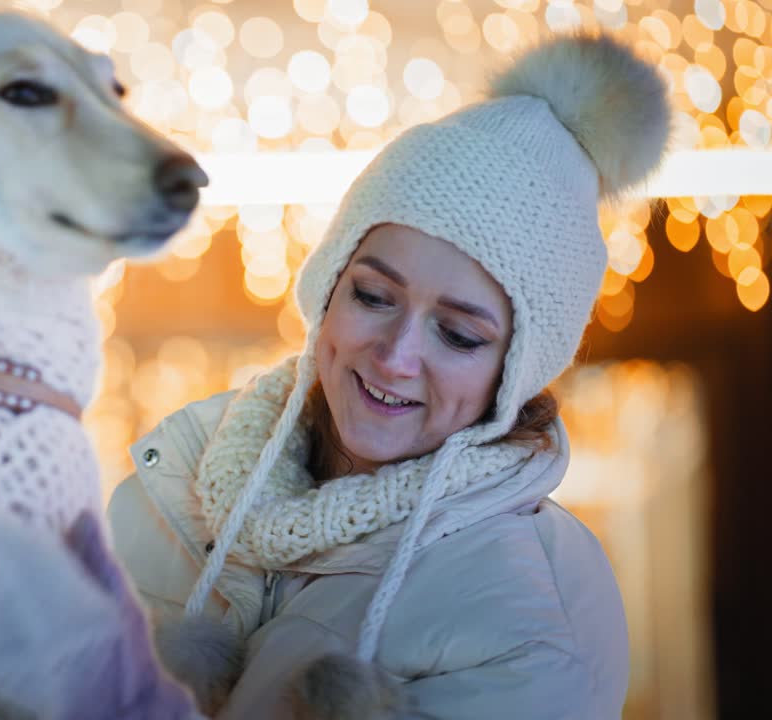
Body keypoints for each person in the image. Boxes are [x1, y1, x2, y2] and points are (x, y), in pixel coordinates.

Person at [103, 33, 670, 719]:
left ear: (513, 373)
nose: (396, 356)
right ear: (328, 289)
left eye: (458, 335)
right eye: (373, 296)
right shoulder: (168, 488)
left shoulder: (531, 612)